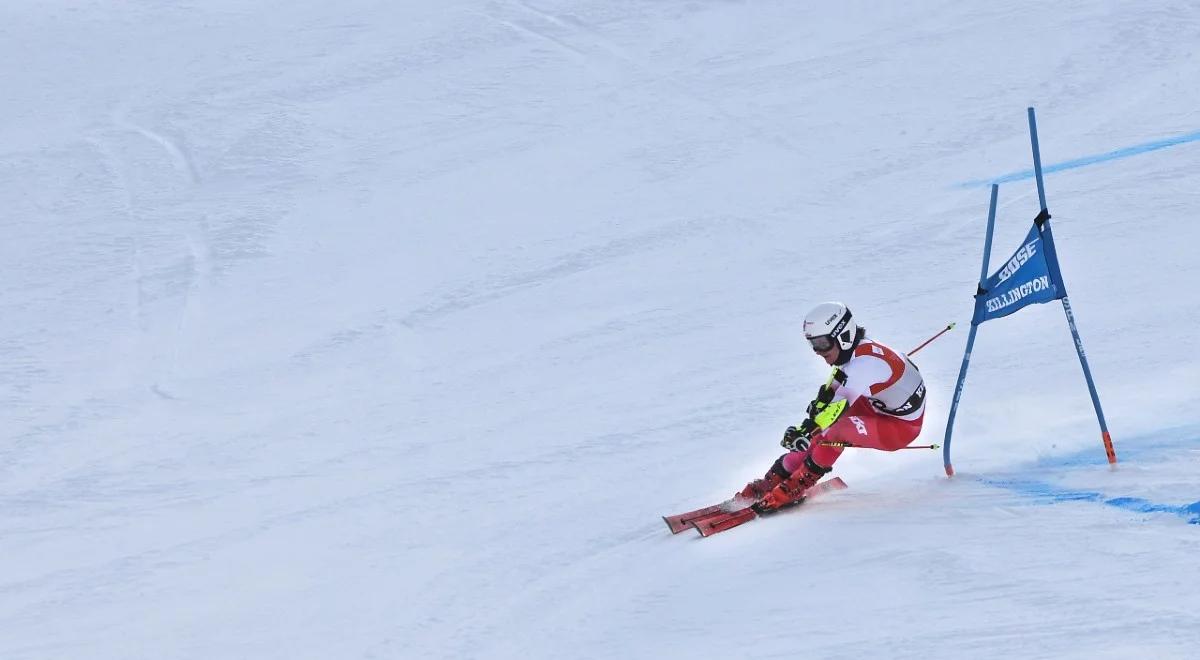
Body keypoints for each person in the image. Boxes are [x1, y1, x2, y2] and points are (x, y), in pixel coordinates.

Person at [738, 301, 927, 512]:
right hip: (878, 406)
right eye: (813, 344)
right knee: (823, 427)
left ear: (843, 335)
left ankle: (797, 485)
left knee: (836, 430)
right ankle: (778, 476)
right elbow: (828, 397)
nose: (818, 351)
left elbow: (836, 408)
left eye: (821, 343)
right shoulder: (852, 355)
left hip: (899, 427)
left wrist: (808, 431)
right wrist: (804, 429)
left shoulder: (864, 365)